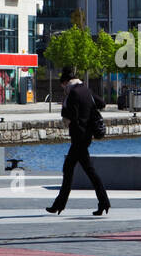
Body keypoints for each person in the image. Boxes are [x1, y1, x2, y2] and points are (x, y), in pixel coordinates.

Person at [46, 66, 111, 217]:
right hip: (85, 137)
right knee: (81, 170)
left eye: (62, 85)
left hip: (78, 138)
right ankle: (102, 202)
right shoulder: (86, 90)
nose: (63, 88)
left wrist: (67, 107)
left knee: (74, 170)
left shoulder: (73, 93)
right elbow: (101, 103)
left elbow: (71, 115)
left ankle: (60, 205)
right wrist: (87, 110)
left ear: (66, 82)